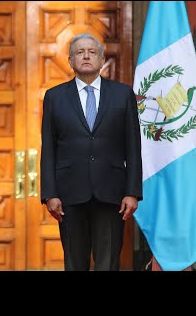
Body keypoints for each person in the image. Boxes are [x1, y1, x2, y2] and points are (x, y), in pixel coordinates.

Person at [40, 33, 142, 271]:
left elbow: (133, 147)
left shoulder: (123, 94)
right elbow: (49, 147)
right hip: (69, 195)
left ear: (102, 59)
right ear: (70, 61)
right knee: (75, 263)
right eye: (79, 52)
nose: (86, 56)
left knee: (108, 263)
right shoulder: (54, 97)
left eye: (92, 52)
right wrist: (50, 193)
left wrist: (133, 192)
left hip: (112, 194)